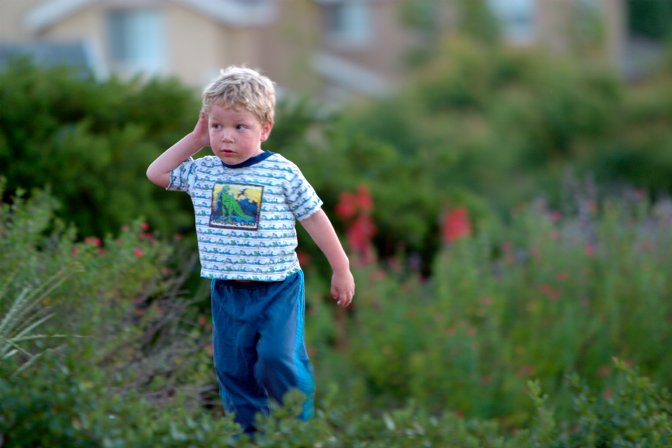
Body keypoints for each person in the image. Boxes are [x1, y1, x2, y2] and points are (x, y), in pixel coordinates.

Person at [146, 66, 355, 434]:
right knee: (233, 368)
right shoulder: (204, 171)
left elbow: (315, 218)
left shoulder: (281, 171)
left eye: (239, 127)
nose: (226, 137)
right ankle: (251, 436)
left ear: (265, 128)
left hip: (278, 287)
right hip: (227, 289)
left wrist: (341, 268)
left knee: (278, 358)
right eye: (216, 126)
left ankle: (298, 428)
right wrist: (195, 139)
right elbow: (157, 172)